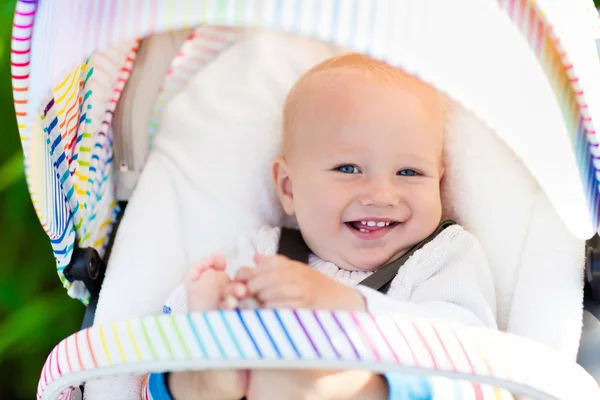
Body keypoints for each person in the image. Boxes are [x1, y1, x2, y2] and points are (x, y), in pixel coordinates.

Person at [145, 53, 497, 400]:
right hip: (251, 380)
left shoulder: (442, 256)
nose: (381, 195)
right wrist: (216, 309)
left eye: (409, 172)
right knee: (174, 366)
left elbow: (469, 352)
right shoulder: (263, 256)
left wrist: (348, 305)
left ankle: (313, 388)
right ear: (288, 188)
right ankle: (213, 377)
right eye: (348, 168)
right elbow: (143, 363)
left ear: (438, 182)